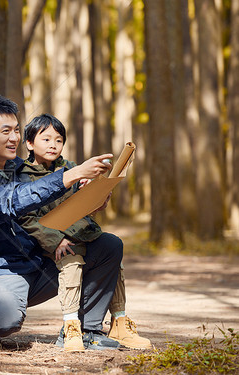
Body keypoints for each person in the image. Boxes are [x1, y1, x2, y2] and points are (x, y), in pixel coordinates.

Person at [0, 96, 120, 350]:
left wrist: (92, 197)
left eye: (16, 130)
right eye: (5, 131)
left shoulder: (19, 166)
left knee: (108, 246)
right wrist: (72, 174)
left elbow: (56, 205)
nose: (14, 138)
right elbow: (12, 200)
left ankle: (85, 330)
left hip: (41, 262)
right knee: (6, 319)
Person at [17, 113, 151, 351]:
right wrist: (55, 240)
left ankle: (119, 323)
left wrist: (98, 194)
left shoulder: (72, 169)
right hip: (46, 244)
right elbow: (26, 218)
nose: (53, 145)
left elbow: (85, 209)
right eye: (45, 139)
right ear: (29, 143)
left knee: (112, 246)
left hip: (78, 233)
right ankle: (72, 327)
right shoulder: (22, 175)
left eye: (58, 140)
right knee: (72, 257)